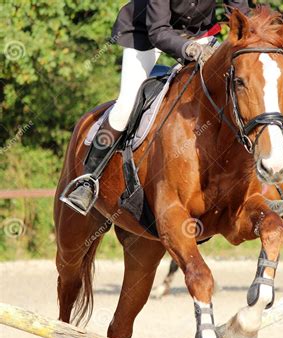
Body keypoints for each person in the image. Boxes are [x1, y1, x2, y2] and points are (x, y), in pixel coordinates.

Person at [64, 0, 251, 214]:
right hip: (146, 36)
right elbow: (158, 31)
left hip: (199, 35)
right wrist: (189, 49)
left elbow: (242, 14)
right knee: (126, 106)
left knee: (239, 90)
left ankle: (257, 185)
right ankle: (88, 181)